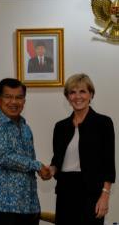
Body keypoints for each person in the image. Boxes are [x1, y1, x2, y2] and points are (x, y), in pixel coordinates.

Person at [42, 73, 116, 225]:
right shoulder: (60, 127)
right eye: (72, 92)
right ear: (68, 97)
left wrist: (105, 196)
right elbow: (57, 161)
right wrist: (50, 171)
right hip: (65, 192)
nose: (77, 96)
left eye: (82, 91)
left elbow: (109, 163)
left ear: (91, 94)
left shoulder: (103, 123)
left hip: (92, 193)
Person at [0, 78, 49, 225]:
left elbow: (26, 166)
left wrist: (43, 170)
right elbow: (5, 157)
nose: (14, 102)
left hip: (29, 206)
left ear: (24, 101)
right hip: (4, 208)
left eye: (18, 97)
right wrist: (38, 166)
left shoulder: (25, 127)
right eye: (8, 97)